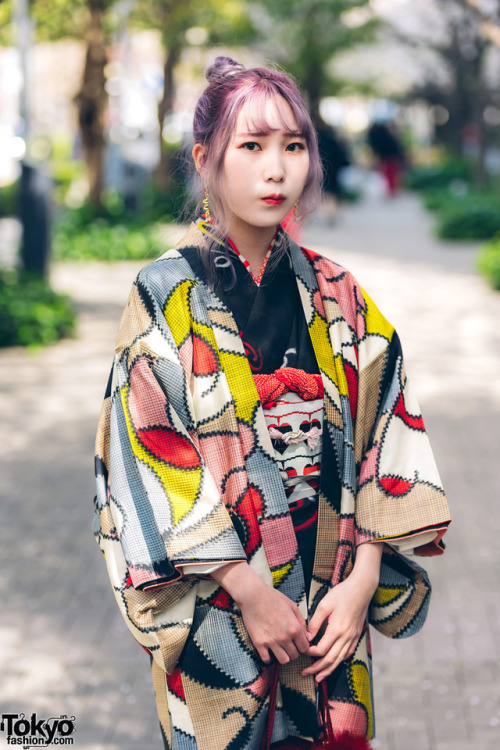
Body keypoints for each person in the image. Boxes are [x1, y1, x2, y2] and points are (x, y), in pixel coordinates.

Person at [93, 57, 451, 750]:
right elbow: (147, 457)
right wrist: (250, 592)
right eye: (251, 146)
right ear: (206, 159)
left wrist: (361, 583)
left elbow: (388, 430)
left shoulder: (339, 292)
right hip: (220, 611)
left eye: (292, 145)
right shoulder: (163, 296)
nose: (276, 168)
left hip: (328, 604)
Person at [366, 121, 406, 197]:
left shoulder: (376, 136)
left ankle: (392, 191)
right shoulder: (384, 134)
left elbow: (378, 149)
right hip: (391, 156)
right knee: (391, 174)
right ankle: (392, 191)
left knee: (390, 173)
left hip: (389, 156)